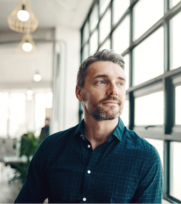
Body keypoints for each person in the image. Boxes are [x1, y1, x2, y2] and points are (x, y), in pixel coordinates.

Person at [15, 49, 163, 203]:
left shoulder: (146, 158)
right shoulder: (51, 148)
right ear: (79, 93)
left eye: (120, 83)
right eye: (102, 82)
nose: (113, 91)